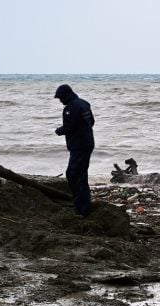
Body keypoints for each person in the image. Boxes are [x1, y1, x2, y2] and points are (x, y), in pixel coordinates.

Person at [54, 84, 95, 217]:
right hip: (87, 143)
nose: (60, 101)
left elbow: (69, 127)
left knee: (73, 175)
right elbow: (92, 122)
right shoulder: (84, 104)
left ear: (66, 95)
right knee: (80, 174)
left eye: (60, 98)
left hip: (79, 146)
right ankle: (83, 204)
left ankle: (81, 207)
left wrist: (59, 131)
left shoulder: (70, 108)